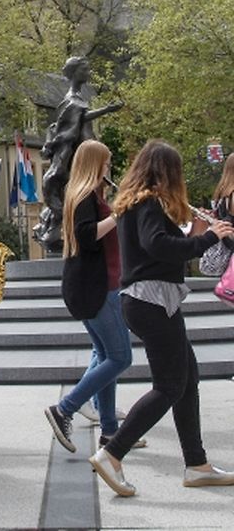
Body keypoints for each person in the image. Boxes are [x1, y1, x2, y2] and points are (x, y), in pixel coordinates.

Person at [89, 139, 234, 497]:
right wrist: (208, 238)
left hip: (149, 301)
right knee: (170, 385)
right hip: (151, 301)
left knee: (188, 379)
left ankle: (196, 464)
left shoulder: (138, 203)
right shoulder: (150, 203)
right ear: (167, 172)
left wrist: (197, 233)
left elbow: (159, 248)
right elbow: (159, 247)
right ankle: (112, 453)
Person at [44, 140, 134, 454]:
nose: (109, 168)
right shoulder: (83, 195)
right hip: (97, 289)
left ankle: (110, 434)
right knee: (121, 358)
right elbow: (86, 236)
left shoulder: (90, 194)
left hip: (98, 287)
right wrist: (119, 214)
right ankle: (64, 409)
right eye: (107, 163)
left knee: (104, 356)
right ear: (95, 164)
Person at [35, 56, 122, 253]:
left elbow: (80, 117)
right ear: (75, 73)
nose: (88, 72)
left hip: (83, 154)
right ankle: (61, 229)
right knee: (74, 194)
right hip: (75, 156)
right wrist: (107, 109)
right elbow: (74, 119)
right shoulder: (71, 99)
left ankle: (68, 228)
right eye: (85, 69)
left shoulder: (78, 98)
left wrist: (106, 110)